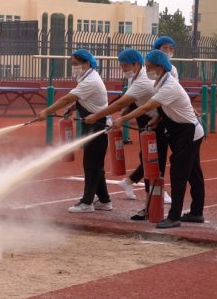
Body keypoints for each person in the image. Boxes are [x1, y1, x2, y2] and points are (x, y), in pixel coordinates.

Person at [111, 50, 205, 228]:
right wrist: (155, 119)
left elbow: (148, 105)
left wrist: (123, 119)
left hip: (189, 132)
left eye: (149, 67)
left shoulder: (168, 85)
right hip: (179, 130)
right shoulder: (159, 83)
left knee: (179, 174)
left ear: (161, 67)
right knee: (193, 174)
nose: (146, 71)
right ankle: (196, 212)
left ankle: (174, 216)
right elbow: (162, 108)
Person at [84, 48, 171, 219]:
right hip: (152, 121)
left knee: (154, 165)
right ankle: (151, 207)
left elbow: (120, 104)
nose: (123, 69)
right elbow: (131, 103)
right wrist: (121, 117)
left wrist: (97, 116)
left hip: (163, 124)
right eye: (121, 66)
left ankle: (155, 208)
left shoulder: (143, 80)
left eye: (125, 66)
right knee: (148, 162)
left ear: (137, 64)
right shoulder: (135, 78)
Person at [37, 49, 112, 213]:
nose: (73, 67)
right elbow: (79, 100)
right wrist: (72, 108)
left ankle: (87, 203)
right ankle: (105, 201)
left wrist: (46, 112)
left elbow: (67, 98)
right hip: (92, 125)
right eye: (72, 64)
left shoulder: (90, 81)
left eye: (75, 64)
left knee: (91, 165)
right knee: (96, 164)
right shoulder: (86, 77)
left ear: (86, 64)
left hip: (97, 125)